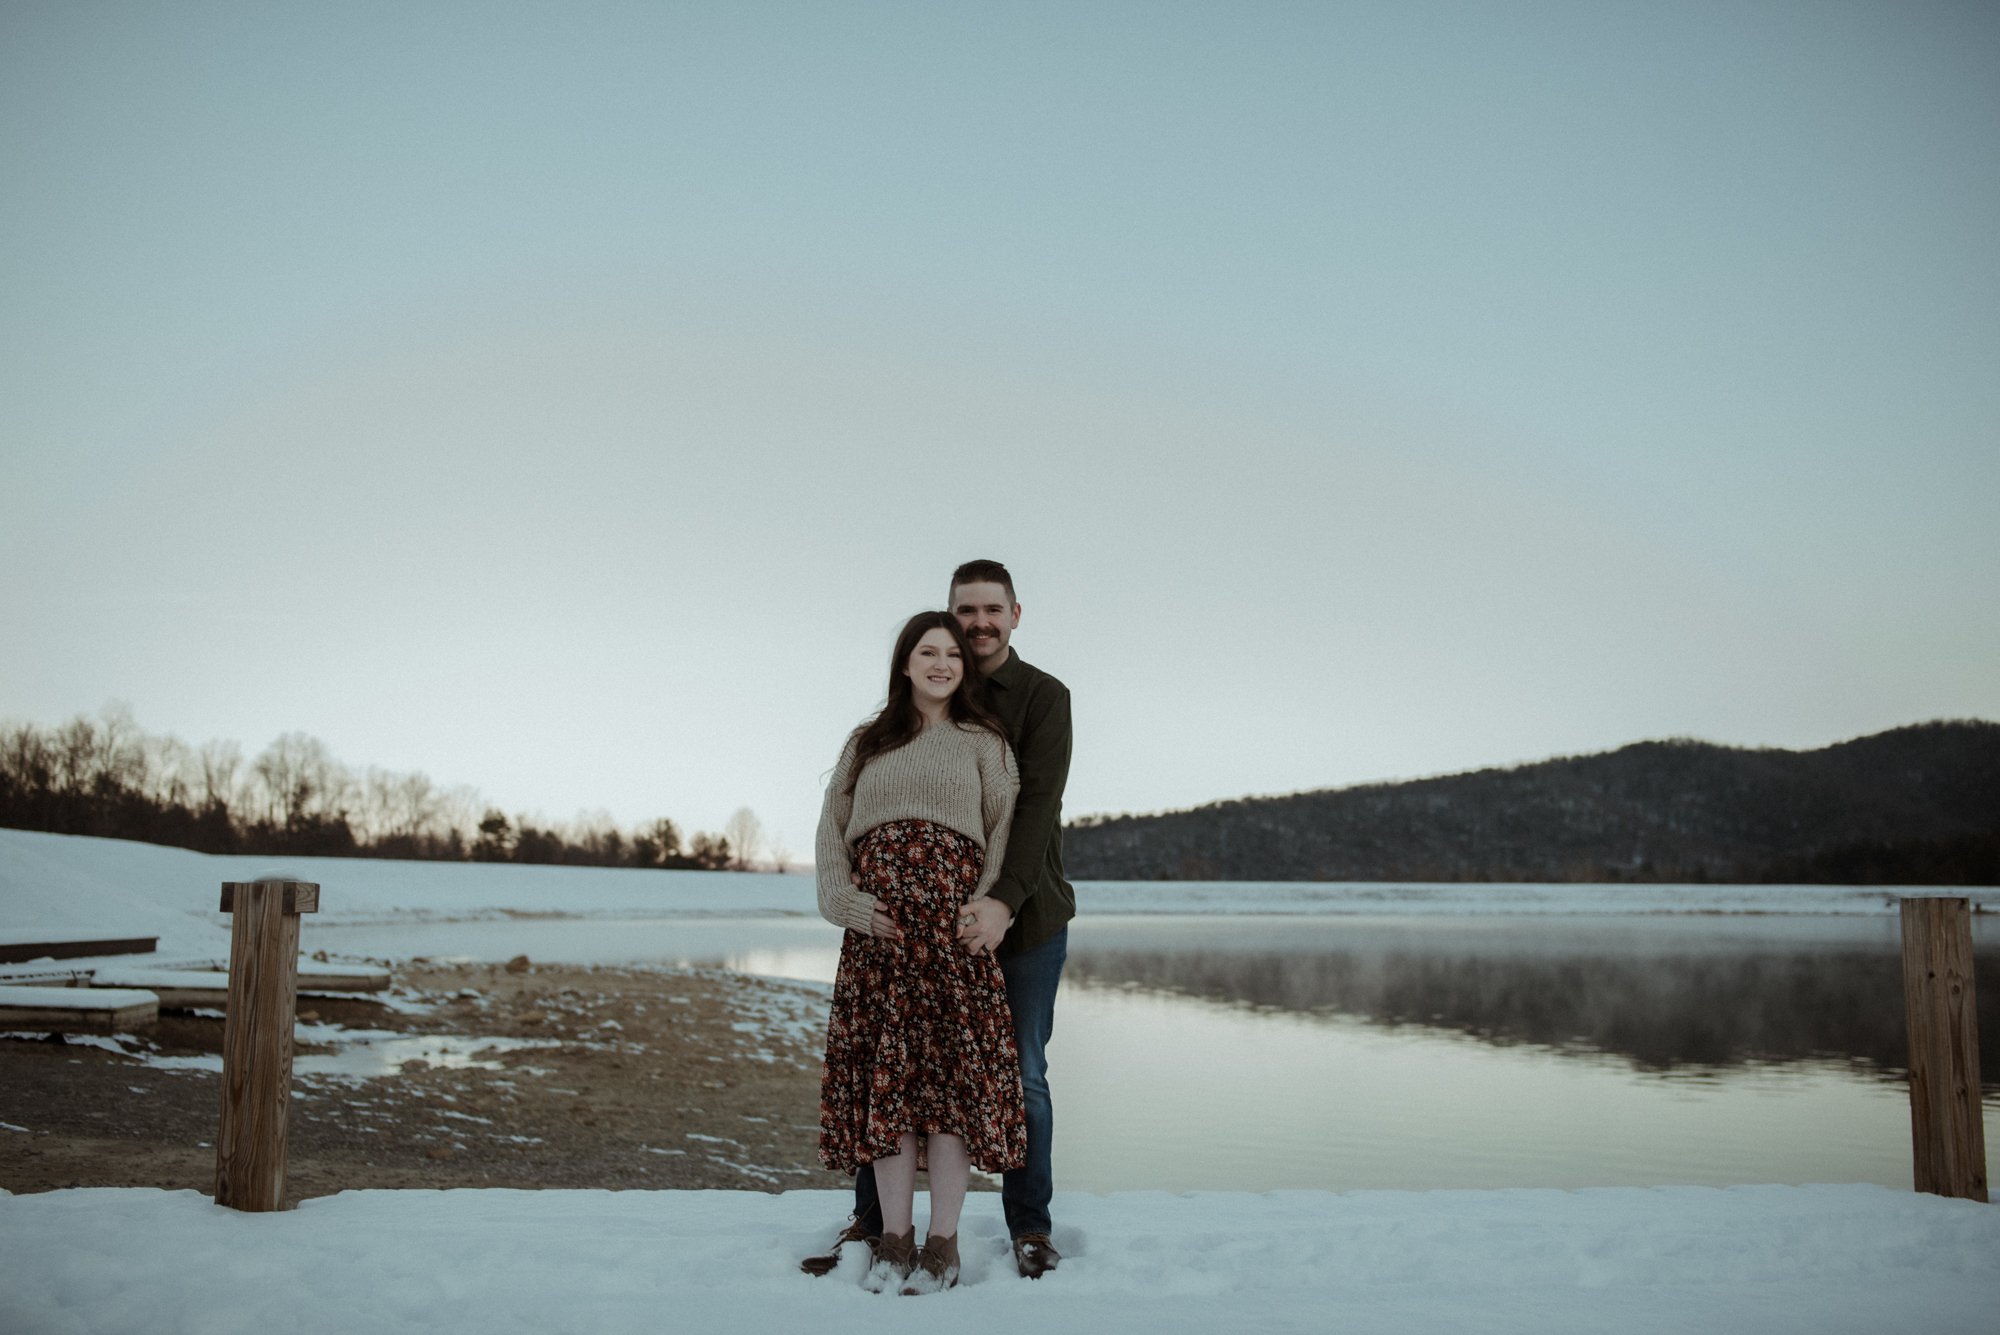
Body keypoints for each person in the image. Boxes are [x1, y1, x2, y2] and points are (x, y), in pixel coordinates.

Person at [804, 560, 1076, 1281]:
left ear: (1016, 613)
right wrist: (847, 900)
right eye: (961, 618)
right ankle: (878, 1224)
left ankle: (1027, 1226)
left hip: (1012, 919)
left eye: (991, 612)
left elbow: (1025, 815)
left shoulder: (1035, 704)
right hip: (887, 937)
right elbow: (833, 824)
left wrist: (994, 902)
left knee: (1016, 1075)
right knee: (883, 1071)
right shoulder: (873, 736)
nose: (974, 628)